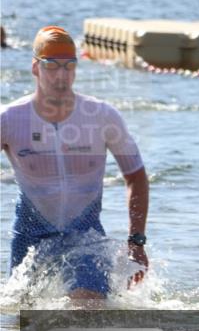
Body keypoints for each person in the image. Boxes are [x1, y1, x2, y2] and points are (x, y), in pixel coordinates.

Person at [1, 26, 149, 300]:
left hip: (86, 238)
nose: (61, 75)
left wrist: (136, 241)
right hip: (30, 239)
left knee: (87, 307)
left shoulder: (102, 116)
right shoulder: (9, 120)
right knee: (21, 324)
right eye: (52, 65)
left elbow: (135, 175)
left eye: (69, 66)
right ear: (35, 67)